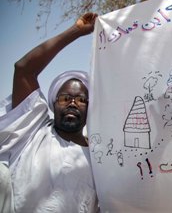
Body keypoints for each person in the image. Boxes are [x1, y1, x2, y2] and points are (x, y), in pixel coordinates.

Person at [0, 13, 99, 212]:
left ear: (90, 107)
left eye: (80, 100)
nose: (72, 103)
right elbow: (24, 69)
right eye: (65, 98)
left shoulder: (102, 157)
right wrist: (76, 32)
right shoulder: (32, 132)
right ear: (54, 103)